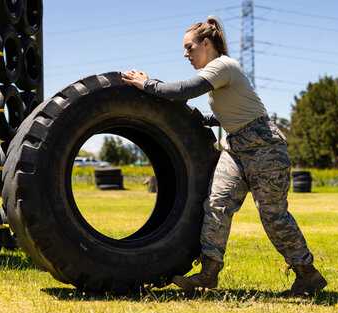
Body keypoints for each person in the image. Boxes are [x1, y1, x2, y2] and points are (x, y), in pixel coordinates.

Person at [122, 15, 327, 296]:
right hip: (235, 148)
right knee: (216, 205)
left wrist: (149, 85)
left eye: (189, 47)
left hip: (264, 147)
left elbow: (185, 90)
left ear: (206, 43)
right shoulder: (217, 72)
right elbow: (228, 115)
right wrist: (196, 121)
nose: (185, 54)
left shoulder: (223, 65)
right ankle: (209, 273)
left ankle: (307, 275)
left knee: (273, 216)